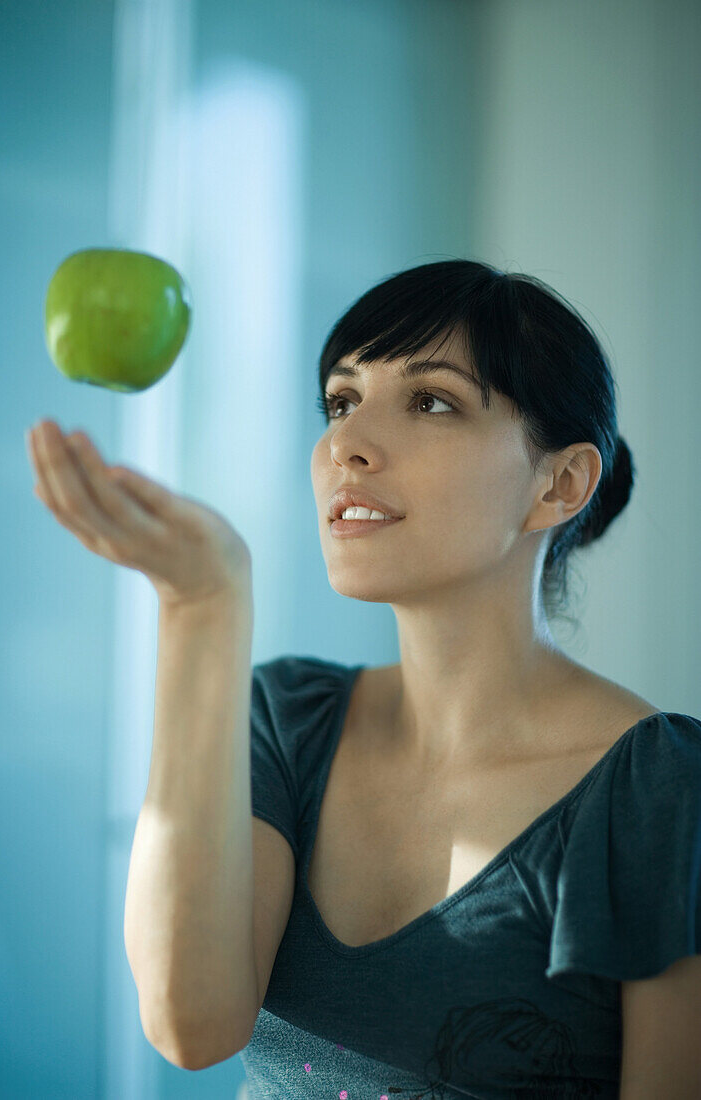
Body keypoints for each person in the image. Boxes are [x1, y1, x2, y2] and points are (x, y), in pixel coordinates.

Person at [240, 259, 701, 1098]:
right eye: (342, 401)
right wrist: (200, 614)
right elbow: (188, 1022)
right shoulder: (283, 721)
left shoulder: (656, 788)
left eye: (431, 401)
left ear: (560, 484)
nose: (347, 443)